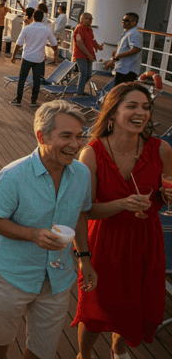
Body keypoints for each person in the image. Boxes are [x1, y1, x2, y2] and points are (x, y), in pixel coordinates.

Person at [0, 101, 96, 359]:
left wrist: (84, 259)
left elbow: (81, 214)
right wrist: (32, 234)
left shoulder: (81, 174)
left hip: (58, 278)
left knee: (43, 349)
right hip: (13, 275)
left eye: (79, 136)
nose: (76, 144)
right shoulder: (13, 175)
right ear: (41, 136)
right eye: (66, 135)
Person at [72, 83, 169, 359]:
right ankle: (84, 354)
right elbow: (86, 210)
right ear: (112, 112)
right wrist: (122, 204)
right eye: (132, 106)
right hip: (105, 239)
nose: (142, 112)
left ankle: (119, 347)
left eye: (146, 107)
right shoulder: (91, 153)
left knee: (133, 300)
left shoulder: (162, 149)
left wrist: (167, 197)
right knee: (96, 305)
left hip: (146, 237)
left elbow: (166, 191)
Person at [10, 10, 58, 107]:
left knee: (22, 79)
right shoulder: (46, 29)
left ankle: (18, 99)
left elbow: (19, 43)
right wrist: (55, 53)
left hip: (27, 57)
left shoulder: (27, 28)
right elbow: (54, 43)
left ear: (33, 16)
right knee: (37, 80)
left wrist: (13, 55)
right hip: (39, 59)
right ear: (43, 18)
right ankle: (33, 101)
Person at [103, 12, 142, 85]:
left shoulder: (134, 34)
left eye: (126, 20)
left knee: (122, 92)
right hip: (122, 68)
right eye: (123, 20)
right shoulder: (127, 33)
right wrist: (113, 60)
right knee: (118, 90)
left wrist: (118, 56)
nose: (123, 22)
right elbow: (123, 50)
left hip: (128, 70)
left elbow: (136, 49)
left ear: (133, 23)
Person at [71, 13, 104, 96]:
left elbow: (92, 40)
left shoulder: (89, 29)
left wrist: (98, 47)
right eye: (86, 18)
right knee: (84, 73)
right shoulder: (79, 29)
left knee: (88, 74)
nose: (89, 20)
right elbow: (79, 43)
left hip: (89, 55)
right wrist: (89, 55)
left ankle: (79, 88)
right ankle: (79, 92)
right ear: (81, 19)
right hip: (80, 55)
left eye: (91, 18)